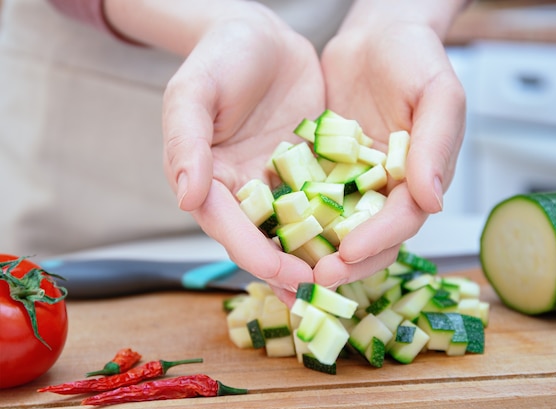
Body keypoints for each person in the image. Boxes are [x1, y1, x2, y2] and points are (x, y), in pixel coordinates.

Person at [1, 0, 468, 305]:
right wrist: (225, 22)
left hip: (337, 78)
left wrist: (398, 18)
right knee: (36, 299)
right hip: (84, 120)